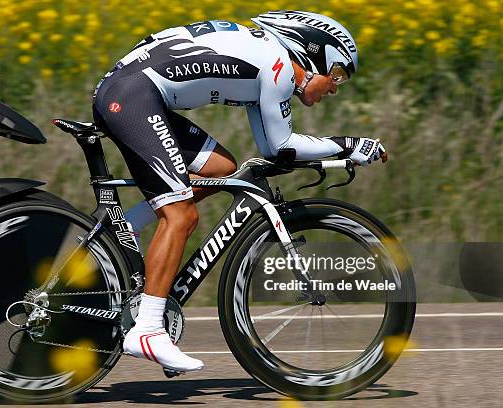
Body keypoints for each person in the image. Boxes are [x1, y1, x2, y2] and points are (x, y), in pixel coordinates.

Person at [92, 10, 387, 374]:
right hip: (134, 95)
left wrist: (324, 152)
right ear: (313, 55)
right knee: (182, 215)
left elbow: (271, 147)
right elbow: (281, 148)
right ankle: (149, 329)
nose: (335, 87)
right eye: (337, 73)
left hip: (134, 90)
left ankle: (126, 227)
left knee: (220, 168)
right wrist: (348, 145)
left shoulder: (264, 57)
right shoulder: (277, 65)